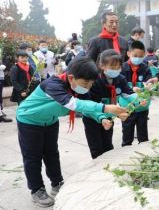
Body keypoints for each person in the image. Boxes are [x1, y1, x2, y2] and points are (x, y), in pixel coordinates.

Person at [16, 57, 127, 207]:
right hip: (29, 120)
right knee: (33, 156)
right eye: (85, 83)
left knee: (52, 153)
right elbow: (73, 103)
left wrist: (102, 118)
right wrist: (105, 108)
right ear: (71, 78)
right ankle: (37, 189)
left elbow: (88, 106)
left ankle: (57, 183)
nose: (87, 87)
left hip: (50, 120)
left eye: (91, 84)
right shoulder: (53, 84)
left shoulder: (79, 88)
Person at [80, 49, 135, 159]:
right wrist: (113, 114)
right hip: (92, 118)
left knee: (108, 145)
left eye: (118, 67)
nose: (115, 70)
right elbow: (92, 105)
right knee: (97, 149)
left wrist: (140, 99)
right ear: (102, 66)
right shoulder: (94, 82)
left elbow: (129, 94)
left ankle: (108, 170)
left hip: (109, 117)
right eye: (112, 67)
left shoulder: (120, 79)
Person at [121, 41, 153, 146]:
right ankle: (125, 152)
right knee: (127, 133)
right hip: (127, 106)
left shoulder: (145, 68)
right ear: (128, 53)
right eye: (135, 55)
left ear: (144, 55)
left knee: (143, 134)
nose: (138, 58)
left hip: (142, 106)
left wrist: (148, 86)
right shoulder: (122, 68)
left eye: (140, 56)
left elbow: (149, 82)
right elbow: (120, 85)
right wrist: (131, 88)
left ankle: (144, 153)